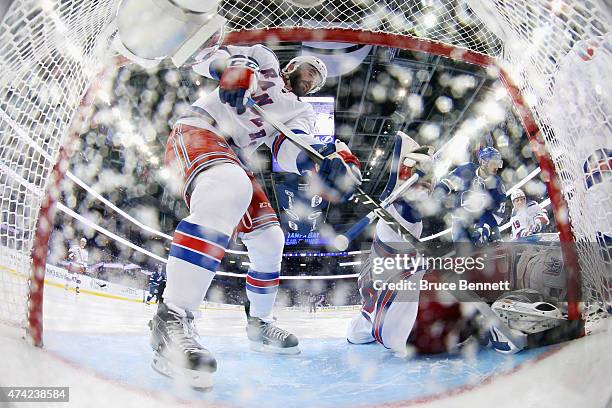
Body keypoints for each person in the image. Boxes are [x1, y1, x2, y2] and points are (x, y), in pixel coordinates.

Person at [150, 44, 362, 388]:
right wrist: (231, 69)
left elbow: (290, 148)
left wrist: (320, 162)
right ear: (292, 65)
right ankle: (172, 317)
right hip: (199, 131)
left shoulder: (301, 112)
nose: (310, 81)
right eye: (308, 72)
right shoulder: (265, 62)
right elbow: (201, 57)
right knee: (228, 186)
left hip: (233, 157)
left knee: (269, 238)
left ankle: (259, 323)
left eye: (316, 81)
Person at [433, 146, 507, 245]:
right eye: (494, 163)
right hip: (462, 219)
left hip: (484, 220)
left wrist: (485, 228)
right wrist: (441, 189)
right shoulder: (466, 169)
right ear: (483, 162)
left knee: (495, 244)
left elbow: (498, 213)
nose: (497, 167)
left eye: (499, 163)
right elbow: (448, 182)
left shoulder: (498, 184)